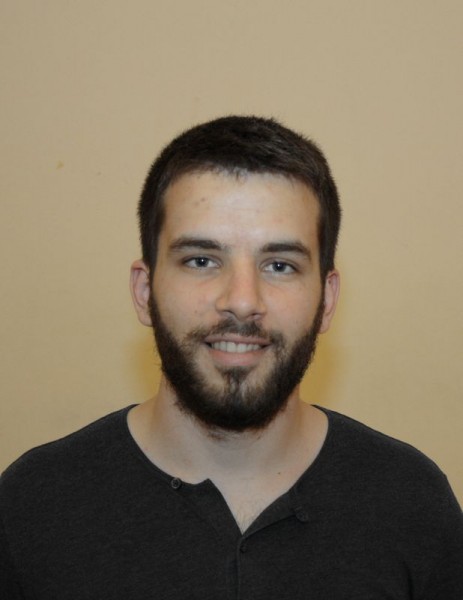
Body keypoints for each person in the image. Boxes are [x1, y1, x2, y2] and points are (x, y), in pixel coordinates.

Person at [1, 116, 462, 599]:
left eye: (279, 265)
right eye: (201, 260)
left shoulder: (414, 505)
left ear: (327, 300)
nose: (242, 301)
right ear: (144, 290)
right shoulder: (30, 507)